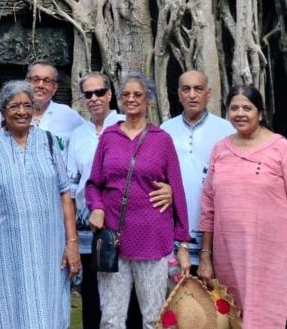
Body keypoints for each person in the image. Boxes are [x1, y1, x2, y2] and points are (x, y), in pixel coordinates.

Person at [197, 85, 287, 328]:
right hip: (230, 260)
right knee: (237, 318)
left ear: (261, 113)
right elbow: (208, 209)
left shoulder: (280, 148)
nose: (240, 113)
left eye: (247, 108)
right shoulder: (220, 150)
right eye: (234, 108)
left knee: (283, 319)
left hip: (277, 258)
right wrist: (206, 257)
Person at [0, 80, 79, 329]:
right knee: (7, 311)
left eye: (27, 105)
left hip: (48, 248)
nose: (22, 111)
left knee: (47, 310)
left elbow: (65, 195)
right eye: (14, 105)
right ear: (3, 111)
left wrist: (72, 245)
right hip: (4, 250)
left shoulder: (49, 143)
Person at [85, 72, 190, 329]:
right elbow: (93, 184)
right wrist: (96, 207)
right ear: (119, 99)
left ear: (148, 101)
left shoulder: (161, 140)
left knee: (153, 318)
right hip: (114, 239)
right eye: (126, 95)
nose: (131, 99)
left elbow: (177, 189)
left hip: (153, 238)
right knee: (111, 318)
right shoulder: (109, 137)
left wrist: (184, 244)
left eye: (137, 95)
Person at [67, 72, 167, 329]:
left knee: (147, 312)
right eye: (87, 94)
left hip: (144, 234)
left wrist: (172, 192)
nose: (94, 98)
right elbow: (82, 183)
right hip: (102, 234)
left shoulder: (145, 132)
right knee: (106, 311)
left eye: (99, 92)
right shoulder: (83, 134)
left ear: (111, 95)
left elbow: (167, 177)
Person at [160, 70, 235, 271]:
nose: (192, 95)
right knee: (178, 299)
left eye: (198, 89)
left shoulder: (227, 131)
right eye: (186, 89)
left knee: (216, 298)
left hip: (215, 231)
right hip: (174, 233)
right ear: (178, 94)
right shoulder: (165, 130)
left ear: (208, 94)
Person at [0, 60, 84, 153]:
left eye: (47, 81)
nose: (41, 85)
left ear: (55, 88)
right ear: (26, 82)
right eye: (36, 80)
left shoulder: (68, 116)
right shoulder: (6, 113)